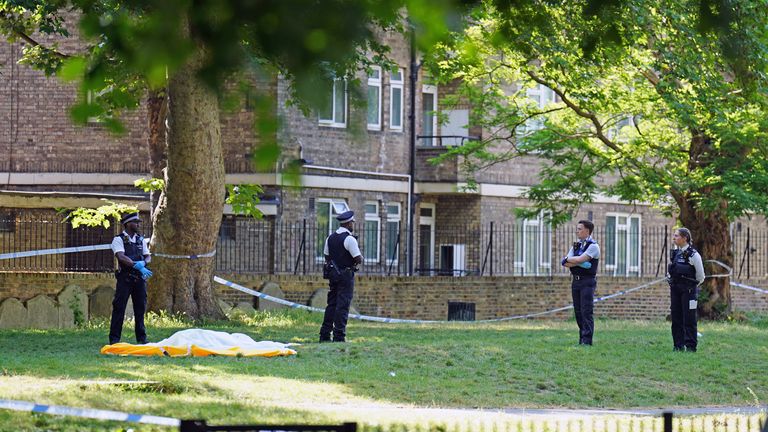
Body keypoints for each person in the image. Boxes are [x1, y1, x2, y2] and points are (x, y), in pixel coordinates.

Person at [109, 212, 152, 345]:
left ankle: (142, 338)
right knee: (119, 308)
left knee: (140, 308)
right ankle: (115, 339)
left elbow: (148, 256)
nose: (138, 224)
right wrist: (136, 265)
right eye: (135, 222)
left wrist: (144, 263)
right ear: (128, 224)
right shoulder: (119, 239)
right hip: (125, 279)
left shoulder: (140, 240)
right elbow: (121, 257)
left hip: (139, 280)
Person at [319, 210, 363, 343]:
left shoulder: (330, 238)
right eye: (352, 223)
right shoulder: (349, 239)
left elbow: (327, 257)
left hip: (333, 275)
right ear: (349, 223)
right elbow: (358, 258)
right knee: (343, 306)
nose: (353, 225)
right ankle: (339, 336)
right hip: (346, 276)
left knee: (331, 304)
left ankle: (325, 335)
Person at [561, 220, 600, 346]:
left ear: (587, 231)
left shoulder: (593, 246)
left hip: (587, 282)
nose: (577, 231)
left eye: (579, 229)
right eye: (577, 229)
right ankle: (581, 338)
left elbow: (577, 259)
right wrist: (581, 263)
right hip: (576, 282)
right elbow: (565, 262)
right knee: (577, 311)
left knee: (586, 310)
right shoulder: (576, 245)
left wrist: (575, 261)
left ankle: (587, 341)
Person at [667, 227, 705, 352]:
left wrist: (691, 287)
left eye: (677, 236)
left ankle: (690, 346)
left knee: (689, 319)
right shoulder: (676, 254)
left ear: (685, 238)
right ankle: (678, 345)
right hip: (676, 290)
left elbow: (700, 276)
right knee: (676, 318)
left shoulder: (694, 255)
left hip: (688, 291)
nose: (674, 238)